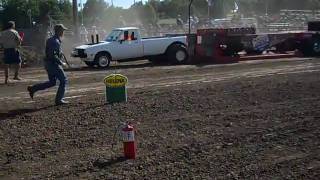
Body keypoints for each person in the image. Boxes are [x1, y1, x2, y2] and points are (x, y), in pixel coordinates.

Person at [27, 24, 69, 106]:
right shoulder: (55, 41)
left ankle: (33, 88)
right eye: (63, 30)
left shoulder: (53, 40)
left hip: (49, 64)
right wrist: (61, 63)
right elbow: (52, 55)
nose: (63, 32)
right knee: (63, 80)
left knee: (52, 82)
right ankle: (58, 100)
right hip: (53, 64)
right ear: (59, 31)